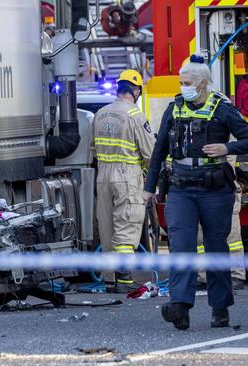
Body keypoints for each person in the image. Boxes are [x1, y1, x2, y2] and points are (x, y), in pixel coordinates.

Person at [144, 54, 248, 330]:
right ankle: (180, 306)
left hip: (215, 190)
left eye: (189, 82)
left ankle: (220, 308)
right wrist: (149, 189)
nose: (184, 86)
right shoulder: (174, 109)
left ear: (204, 83)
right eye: (182, 82)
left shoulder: (222, 109)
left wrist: (226, 148)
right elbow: (159, 150)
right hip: (181, 189)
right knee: (180, 247)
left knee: (215, 249)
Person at [92, 69, 156, 293]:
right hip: (127, 176)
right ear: (136, 90)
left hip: (103, 177)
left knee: (107, 229)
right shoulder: (135, 116)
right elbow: (149, 153)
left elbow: (92, 148)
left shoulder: (100, 113)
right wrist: (153, 181)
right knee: (127, 228)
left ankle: (110, 279)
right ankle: (125, 279)